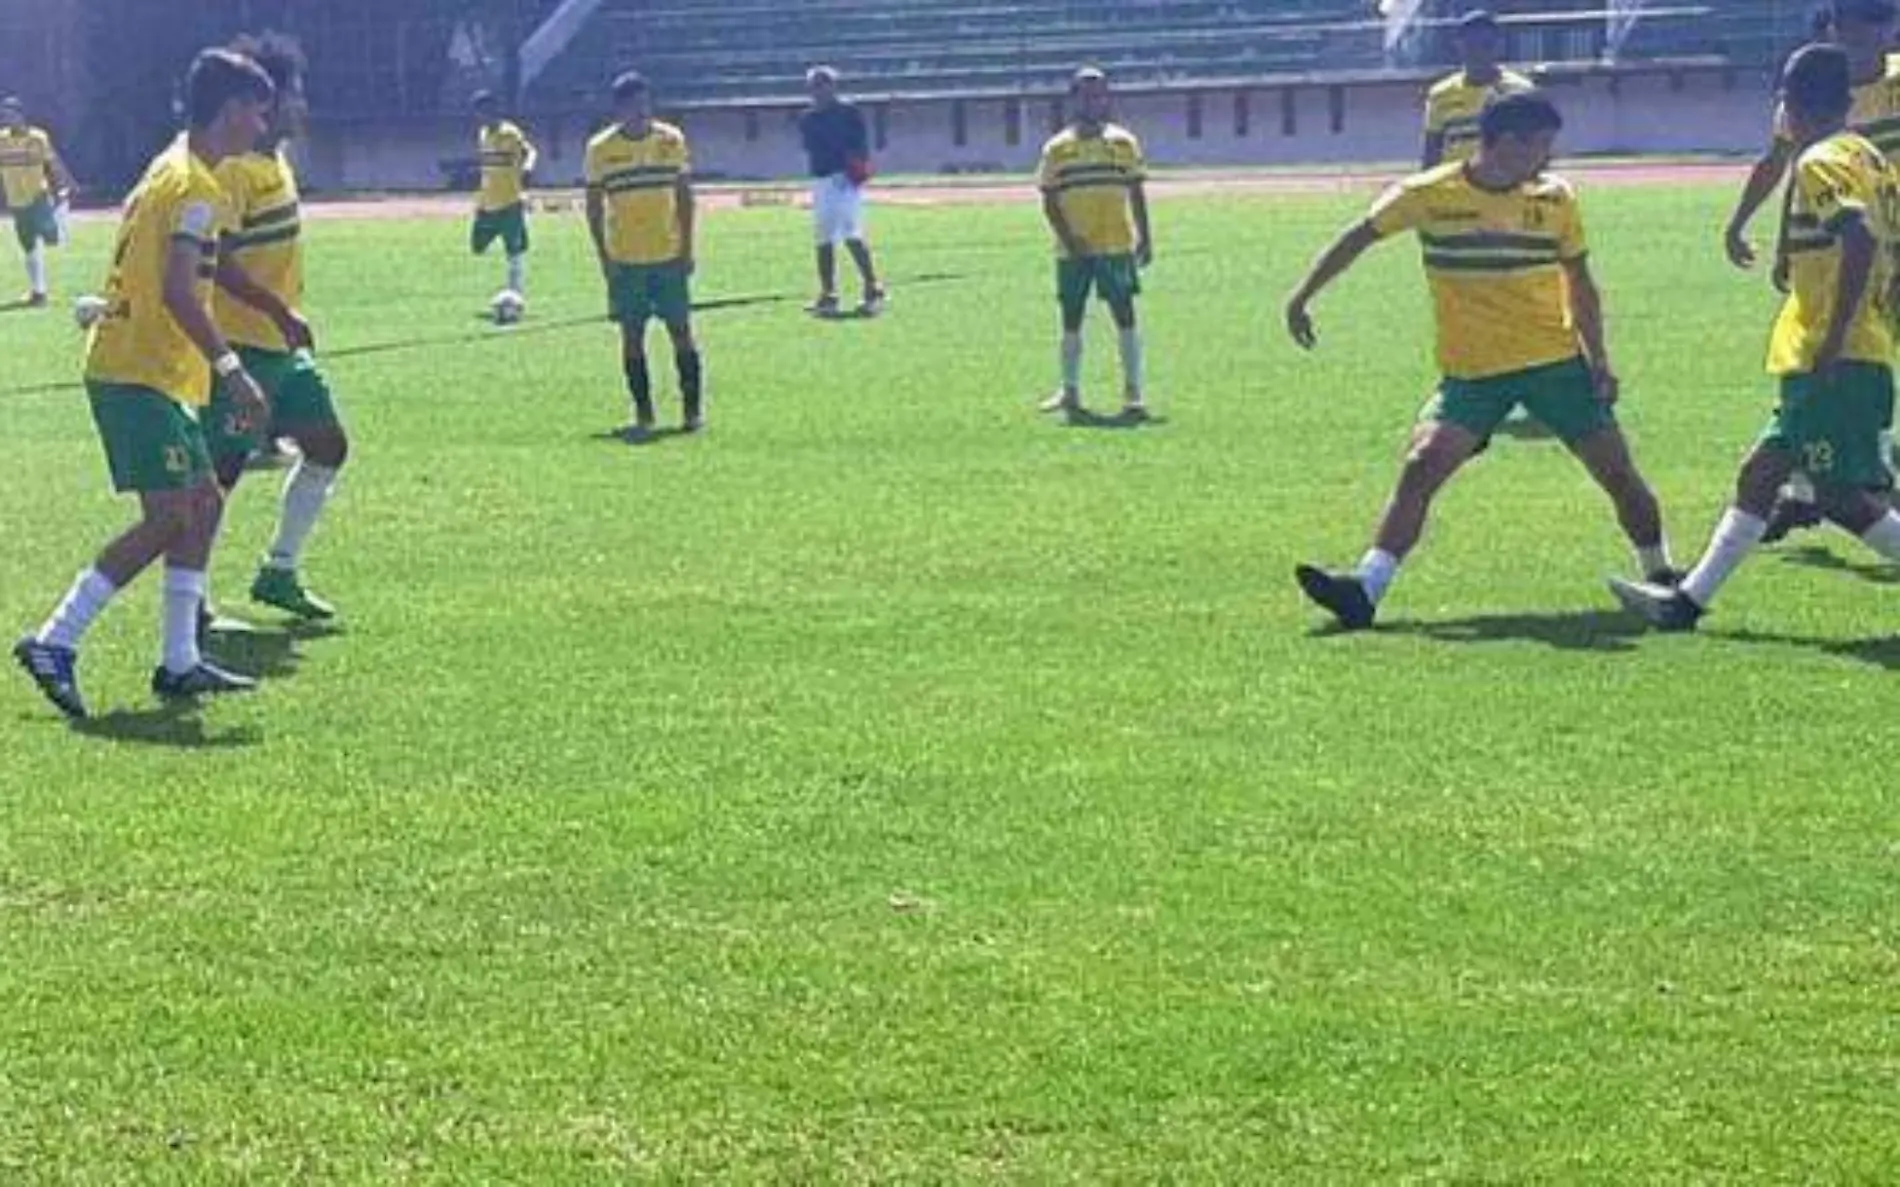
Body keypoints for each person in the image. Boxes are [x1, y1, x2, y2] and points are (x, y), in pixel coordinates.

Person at [1284, 91, 1674, 630]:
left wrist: (1599, 360)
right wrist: (1303, 295)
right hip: (1472, 375)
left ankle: (1662, 578)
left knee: (1618, 475)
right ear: (1506, 143)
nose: (1549, 158)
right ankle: (1364, 590)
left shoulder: (1556, 199)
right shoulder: (1428, 194)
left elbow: (1580, 283)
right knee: (1421, 467)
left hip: (1554, 365)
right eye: (1541, 146)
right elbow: (1358, 237)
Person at [13, 49, 275, 719]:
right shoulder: (197, 188)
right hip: (137, 371)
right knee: (172, 515)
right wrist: (234, 370)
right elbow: (181, 292)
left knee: (205, 501)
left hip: (150, 367)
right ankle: (55, 639)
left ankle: (180, 659)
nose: (262, 120)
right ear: (229, 109)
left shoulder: (171, 165)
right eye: (255, 106)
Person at [1612, 45, 1900, 630]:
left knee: (1838, 497)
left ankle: (1685, 603)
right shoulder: (1871, 156)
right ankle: (1685, 603)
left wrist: (1834, 337)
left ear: (1789, 104)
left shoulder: (1819, 160)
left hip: (1832, 354)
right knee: (1762, 476)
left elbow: (1861, 239)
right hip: (1852, 348)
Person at [1724, 0, 1900, 540]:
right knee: (1836, 366)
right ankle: (1814, 487)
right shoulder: (1814, 90)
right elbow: (1787, 163)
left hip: (1879, 239)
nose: (1865, 34)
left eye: (1878, 22)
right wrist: (1768, 236)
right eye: (1853, 23)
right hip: (1855, 249)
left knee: (1845, 364)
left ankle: (1851, 479)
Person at [206, 32, 348, 624]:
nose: (300, 107)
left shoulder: (277, 163)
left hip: (282, 353)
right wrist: (279, 309)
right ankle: (193, 604)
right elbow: (218, 260)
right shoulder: (236, 171)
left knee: (328, 447)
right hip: (243, 348)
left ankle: (279, 570)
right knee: (221, 475)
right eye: (293, 95)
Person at [585, 71, 703, 437]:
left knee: (681, 331)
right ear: (619, 109)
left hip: (667, 255)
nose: (639, 111)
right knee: (632, 336)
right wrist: (605, 260)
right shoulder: (600, 149)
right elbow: (594, 208)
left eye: (644, 103)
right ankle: (644, 412)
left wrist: (687, 247)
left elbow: (685, 197)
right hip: (626, 259)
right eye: (631, 105)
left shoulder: (671, 140)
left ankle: (691, 411)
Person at [1036, 67, 1153, 421]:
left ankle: (1133, 393)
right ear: (1074, 99)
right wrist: (1070, 240)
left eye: (1100, 94)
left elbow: (1136, 191)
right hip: (1073, 248)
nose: (1094, 101)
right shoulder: (1058, 149)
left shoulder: (1123, 143)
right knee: (1071, 318)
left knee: (1125, 315)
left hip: (1116, 243)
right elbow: (1049, 200)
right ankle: (1070, 390)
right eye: (1086, 94)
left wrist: (1146, 236)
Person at [798, 66, 885, 317]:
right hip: (823, 179)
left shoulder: (848, 112)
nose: (818, 91)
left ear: (832, 87)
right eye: (814, 86)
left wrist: (857, 169)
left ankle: (872, 287)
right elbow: (815, 149)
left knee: (851, 233)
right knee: (823, 237)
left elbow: (859, 145)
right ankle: (828, 293)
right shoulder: (808, 118)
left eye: (822, 85)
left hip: (845, 178)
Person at [1421, 10, 1535, 169]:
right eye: (1470, 46)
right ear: (1458, 46)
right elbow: (1431, 151)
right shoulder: (1440, 94)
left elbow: (1535, 146)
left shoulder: (1520, 90)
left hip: (1506, 184)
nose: (1478, 53)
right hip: (1456, 187)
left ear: (1499, 46)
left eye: (1486, 45)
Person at [0, 95, 77, 307]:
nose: (6, 118)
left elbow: (52, 163)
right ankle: (38, 292)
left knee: (52, 238)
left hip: (38, 196)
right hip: (16, 201)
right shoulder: (2, 140)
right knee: (28, 246)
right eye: (4, 114)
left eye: (10, 114)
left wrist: (64, 184)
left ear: (21, 115)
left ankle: (62, 209)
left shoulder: (38, 138)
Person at [471, 90, 536, 302]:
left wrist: (527, 168)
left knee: (514, 253)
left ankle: (515, 295)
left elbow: (530, 152)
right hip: (487, 203)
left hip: (510, 202)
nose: (483, 116)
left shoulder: (511, 134)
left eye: (487, 110)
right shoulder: (482, 134)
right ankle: (509, 231)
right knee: (477, 246)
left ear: (495, 109)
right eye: (480, 112)